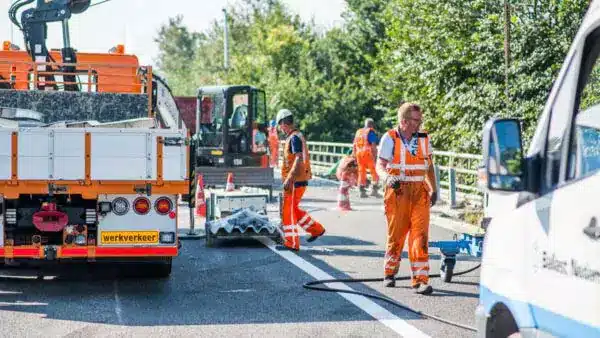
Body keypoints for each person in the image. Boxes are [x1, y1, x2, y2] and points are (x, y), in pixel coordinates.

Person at [376, 102, 438, 295]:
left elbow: (429, 166)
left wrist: (434, 189)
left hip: (420, 193)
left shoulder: (424, 138)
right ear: (404, 121)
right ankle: (390, 272)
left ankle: (420, 280)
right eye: (415, 121)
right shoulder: (390, 138)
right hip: (398, 193)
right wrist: (387, 178)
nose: (419, 124)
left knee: (420, 236)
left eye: (420, 120)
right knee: (397, 235)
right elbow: (380, 165)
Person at [276, 108, 326, 251]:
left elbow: (298, 158)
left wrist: (289, 178)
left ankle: (291, 243)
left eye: (280, 125)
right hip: (298, 180)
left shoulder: (294, 138)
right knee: (294, 210)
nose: (280, 128)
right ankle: (316, 229)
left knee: (288, 211)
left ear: (284, 123)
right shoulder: (295, 136)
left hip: (294, 182)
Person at [353, 118, 381, 198]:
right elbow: (373, 145)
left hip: (359, 154)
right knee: (374, 171)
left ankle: (361, 191)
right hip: (368, 154)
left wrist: (354, 155)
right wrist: (375, 156)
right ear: (372, 125)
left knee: (361, 172)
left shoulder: (358, 132)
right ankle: (374, 190)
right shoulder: (370, 132)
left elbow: (354, 144)